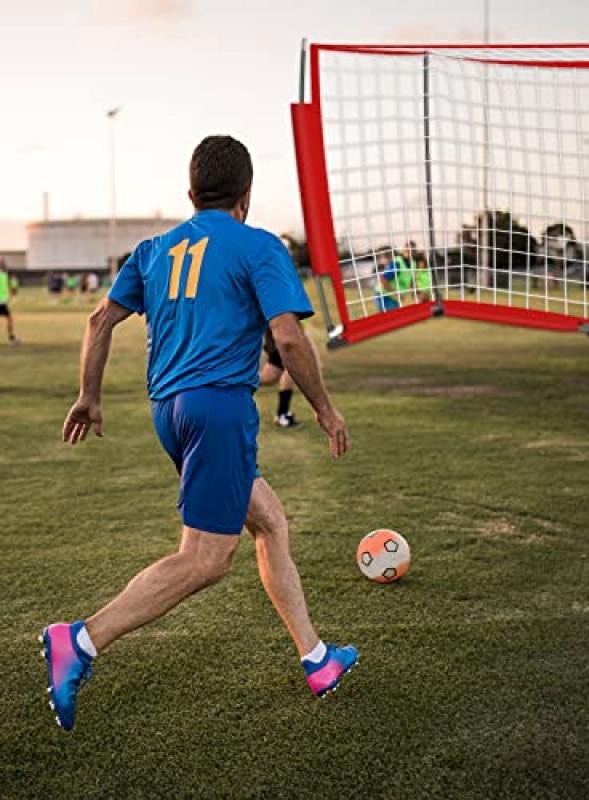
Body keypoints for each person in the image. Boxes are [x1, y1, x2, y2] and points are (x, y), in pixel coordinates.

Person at [41, 135, 357, 732]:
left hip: (170, 411)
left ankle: (316, 658)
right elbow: (288, 339)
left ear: (191, 194)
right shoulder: (258, 245)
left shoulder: (153, 249)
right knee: (206, 560)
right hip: (217, 409)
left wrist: (89, 395)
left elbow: (99, 319)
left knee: (268, 520)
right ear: (247, 195)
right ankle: (79, 641)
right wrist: (323, 408)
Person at [260, 328, 301, 429]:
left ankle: (282, 413)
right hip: (280, 335)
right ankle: (282, 414)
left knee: (270, 377)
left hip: (281, 334)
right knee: (290, 368)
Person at [374, 241, 416, 312]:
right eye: (407, 249)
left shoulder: (413, 264)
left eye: (412, 250)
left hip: (395, 298)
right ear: (404, 250)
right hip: (384, 296)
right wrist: (397, 294)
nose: (409, 252)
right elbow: (383, 279)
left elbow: (411, 282)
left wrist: (417, 294)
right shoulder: (397, 263)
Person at [0, 258, 19, 344]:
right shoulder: (4, 275)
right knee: (10, 319)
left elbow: (9, 286)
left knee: (9, 319)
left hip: (3, 302)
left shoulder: (5, 275)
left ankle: (12, 338)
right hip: (1, 302)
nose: (4, 264)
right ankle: (11, 339)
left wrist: (11, 292)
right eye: (3, 263)